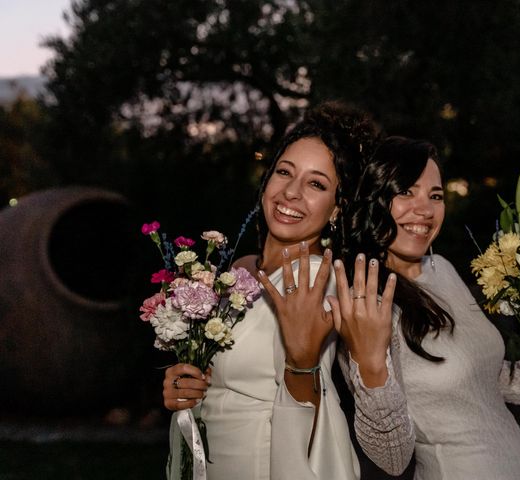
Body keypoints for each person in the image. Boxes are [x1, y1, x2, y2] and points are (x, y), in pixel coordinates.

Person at [160, 101, 390, 480]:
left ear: (337, 208)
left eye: (317, 184)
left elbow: (308, 398)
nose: (292, 192)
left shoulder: (319, 282)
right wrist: (183, 384)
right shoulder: (240, 269)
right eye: (285, 172)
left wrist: (302, 362)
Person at [330, 136, 520, 480]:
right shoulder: (364, 301)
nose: (425, 209)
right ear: (375, 198)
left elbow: (479, 383)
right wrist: (370, 365)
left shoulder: (441, 268)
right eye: (406, 191)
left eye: (435, 196)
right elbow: (392, 457)